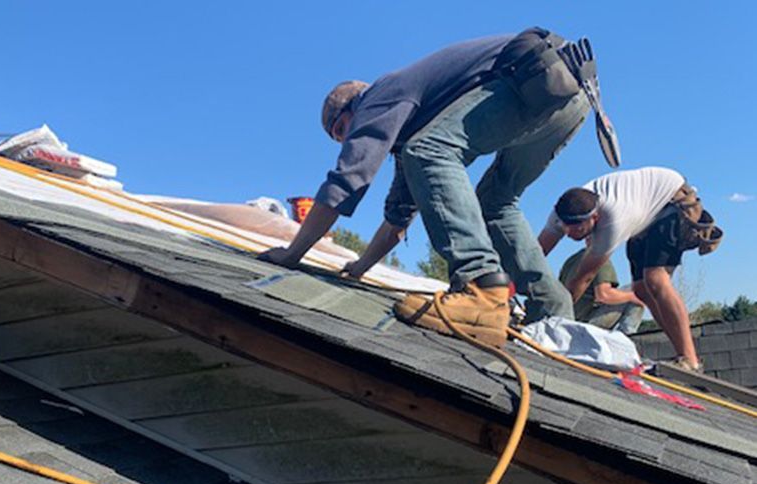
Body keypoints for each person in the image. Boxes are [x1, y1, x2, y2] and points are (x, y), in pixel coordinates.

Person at [262, 27, 620, 346]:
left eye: (341, 132)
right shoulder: (411, 121)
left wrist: (293, 254)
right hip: (570, 94)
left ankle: (482, 288)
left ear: (350, 110)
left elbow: (349, 178)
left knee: (429, 151)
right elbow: (399, 217)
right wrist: (359, 267)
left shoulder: (378, 98)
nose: (347, 142)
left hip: (531, 75)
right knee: (496, 202)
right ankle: (554, 310)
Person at [539, 167, 722, 371]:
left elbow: (583, 278)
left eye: (577, 228)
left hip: (671, 202)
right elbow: (535, 254)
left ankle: (690, 360)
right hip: (643, 211)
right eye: (565, 227)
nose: (569, 233)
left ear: (595, 219)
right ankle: (681, 353)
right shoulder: (560, 213)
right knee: (641, 290)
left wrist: (557, 320)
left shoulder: (613, 222)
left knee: (655, 279)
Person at [559, 241, 644, 334]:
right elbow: (604, 295)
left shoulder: (571, 261)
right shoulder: (600, 259)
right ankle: (628, 335)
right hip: (588, 322)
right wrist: (634, 297)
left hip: (570, 320)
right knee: (640, 289)